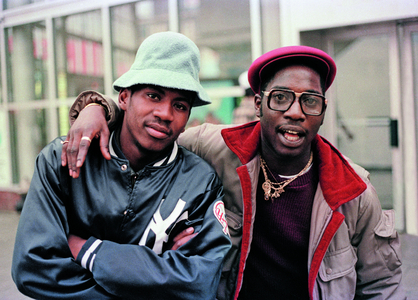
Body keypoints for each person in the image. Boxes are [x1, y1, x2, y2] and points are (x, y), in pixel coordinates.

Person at [62, 45, 405, 299]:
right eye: (281, 98)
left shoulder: (353, 191)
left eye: (310, 101)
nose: (296, 112)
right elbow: (147, 126)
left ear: (323, 109)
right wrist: (95, 108)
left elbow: (381, 287)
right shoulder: (216, 148)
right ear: (258, 104)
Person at [12, 31, 231, 300]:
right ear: (124, 98)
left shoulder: (200, 182)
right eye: (153, 95)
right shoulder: (64, 158)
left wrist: (87, 251)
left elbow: (199, 283)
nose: (165, 113)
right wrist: (157, 275)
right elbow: (32, 269)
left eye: (180, 105)